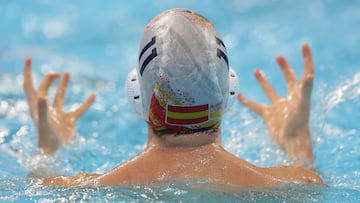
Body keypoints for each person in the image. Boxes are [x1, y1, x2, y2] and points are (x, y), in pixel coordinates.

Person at [23, 8, 322, 187]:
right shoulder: (295, 185)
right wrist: (297, 143)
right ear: (228, 93)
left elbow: (37, 191)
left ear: (137, 95)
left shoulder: (77, 192)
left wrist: (48, 152)